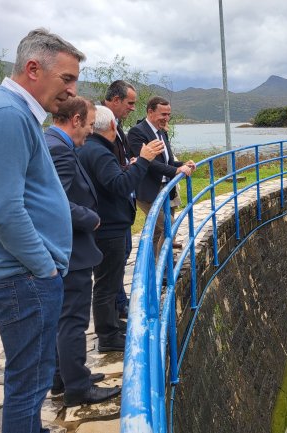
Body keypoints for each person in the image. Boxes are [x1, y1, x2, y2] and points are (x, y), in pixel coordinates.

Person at [0, 28, 83, 433]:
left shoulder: (7, 110)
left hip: (21, 275)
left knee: (32, 378)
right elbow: (5, 212)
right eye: (67, 79)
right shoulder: (7, 115)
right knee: (29, 383)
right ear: (33, 68)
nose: (71, 91)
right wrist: (44, 267)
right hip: (22, 278)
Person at [44, 97, 121, 406]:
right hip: (71, 249)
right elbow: (56, 201)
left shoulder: (52, 141)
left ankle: (64, 376)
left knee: (66, 318)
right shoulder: (60, 149)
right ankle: (77, 386)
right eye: (89, 125)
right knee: (73, 320)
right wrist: (91, 218)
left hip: (67, 248)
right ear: (75, 120)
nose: (90, 132)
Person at [77, 105, 164, 352]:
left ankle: (113, 326)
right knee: (107, 284)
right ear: (113, 126)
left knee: (109, 281)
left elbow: (109, 180)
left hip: (105, 223)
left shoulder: (91, 148)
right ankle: (108, 335)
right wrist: (144, 161)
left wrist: (129, 167)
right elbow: (120, 186)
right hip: (109, 227)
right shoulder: (101, 152)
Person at [127, 96, 196, 256]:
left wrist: (184, 164)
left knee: (158, 232)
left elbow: (168, 161)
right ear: (150, 111)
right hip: (147, 190)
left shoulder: (162, 132)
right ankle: (160, 269)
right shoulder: (137, 132)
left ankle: (153, 267)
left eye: (168, 114)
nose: (166, 118)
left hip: (166, 188)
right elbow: (148, 163)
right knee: (168, 225)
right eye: (163, 114)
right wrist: (176, 171)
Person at [102, 80, 137, 319]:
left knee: (123, 252)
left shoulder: (117, 125)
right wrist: (132, 166)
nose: (133, 108)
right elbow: (107, 170)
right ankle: (116, 307)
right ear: (115, 100)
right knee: (113, 261)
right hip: (109, 210)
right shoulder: (101, 125)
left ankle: (119, 301)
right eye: (130, 103)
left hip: (121, 207)